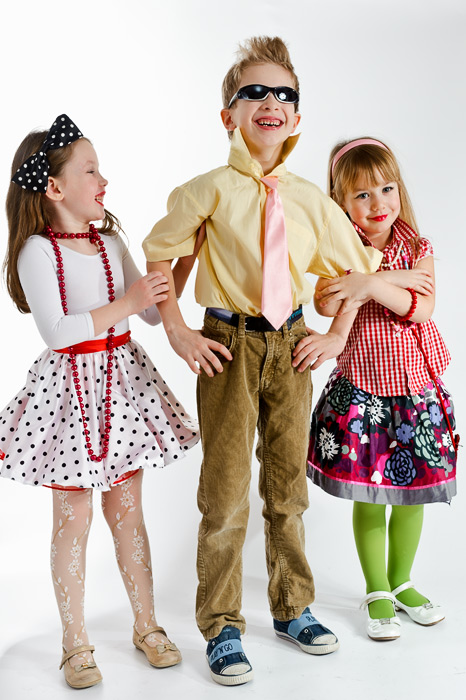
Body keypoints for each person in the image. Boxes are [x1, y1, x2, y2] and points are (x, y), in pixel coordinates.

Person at [142, 38, 381, 685]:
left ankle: (292, 606)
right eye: (255, 92)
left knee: (287, 489)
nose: (270, 102)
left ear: (296, 117)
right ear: (229, 115)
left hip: (292, 345)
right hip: (231, 344)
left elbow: (357, 271)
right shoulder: (208, 190)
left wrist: (336, 335)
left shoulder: (310, 200)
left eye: (284, 94)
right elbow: (160, 254)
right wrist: (177, 331)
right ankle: (221, 623)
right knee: (224, 493)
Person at [0, 114, 200, 688]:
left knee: (127, 512)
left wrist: (182, 260)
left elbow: (149, 311)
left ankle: (147, 625)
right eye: (90, 170)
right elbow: (59, 331)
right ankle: (75, 642)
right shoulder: (37, 251)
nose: (103, 180)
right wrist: (128, 302)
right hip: (69, 396)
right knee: (73, 518)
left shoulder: (111, 242)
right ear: (54, 187)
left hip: (121, 387)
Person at [305, 137, 457, 641]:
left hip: (415, 392)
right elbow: (327, 304)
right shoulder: (338, 249)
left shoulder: (418, 247)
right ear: (341, 202)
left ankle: (403, 582)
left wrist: (370, 283)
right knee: (371, 494)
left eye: (386, 189)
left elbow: (422, 306)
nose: (378, 204)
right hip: (364, 392)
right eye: (362, 195)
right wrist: (366, 278)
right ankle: (377, 589)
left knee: (411, 495)